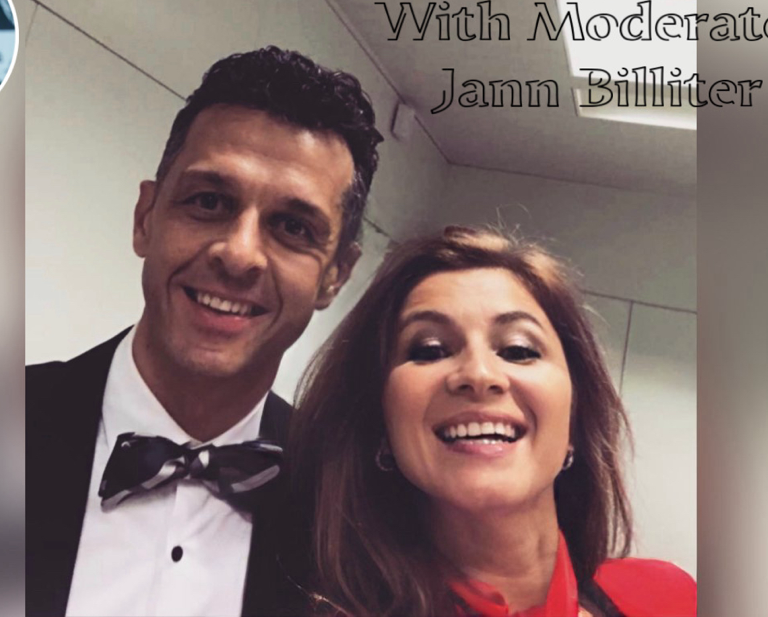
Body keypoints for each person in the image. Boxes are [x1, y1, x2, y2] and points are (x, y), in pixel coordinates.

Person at [26, 47, 382, 617]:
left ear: (335, 275)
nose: (239, 255)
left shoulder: (356, 516)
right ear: (146, 218)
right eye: (209, 201)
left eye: (293, 227)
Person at [286, 226, 696, 617]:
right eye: (430, 349)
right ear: (380, 423)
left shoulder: (671, 599)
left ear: (573, 418)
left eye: (518, 350)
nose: (479, 374)